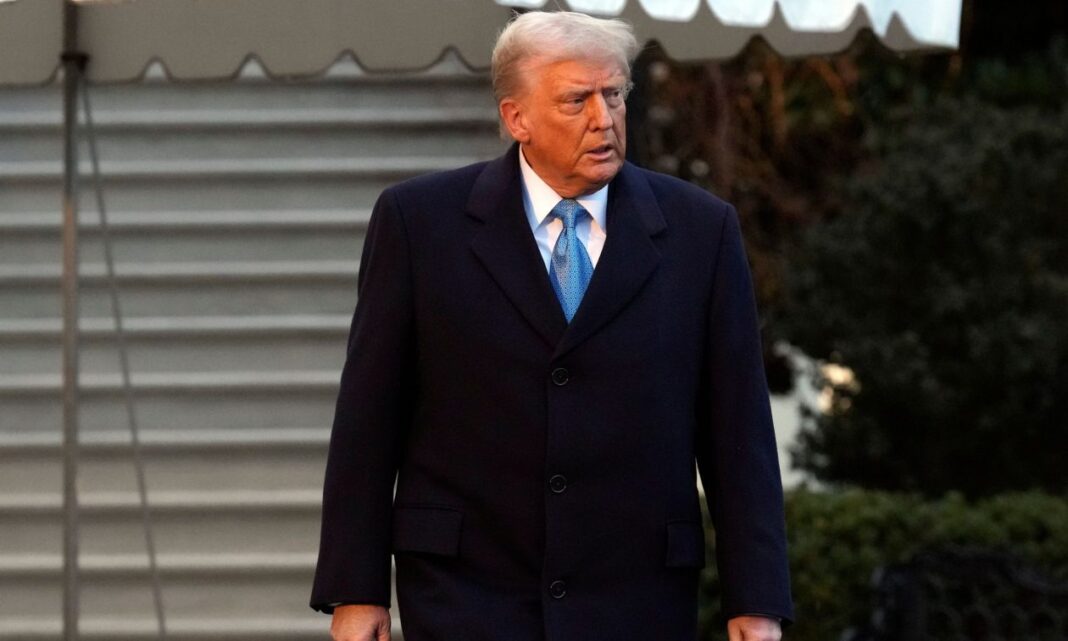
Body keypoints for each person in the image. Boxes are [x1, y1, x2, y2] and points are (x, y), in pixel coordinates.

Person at [310, 10, 793, 641]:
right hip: (466, 592)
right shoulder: (419, 223)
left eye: (614, 94)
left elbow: (739, 430)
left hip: (637, 594)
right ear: (517, 118)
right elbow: (369, 419)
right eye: (576, 100)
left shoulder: (701, 230)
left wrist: (756, 601)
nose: (604, 118)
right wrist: (356, 590)